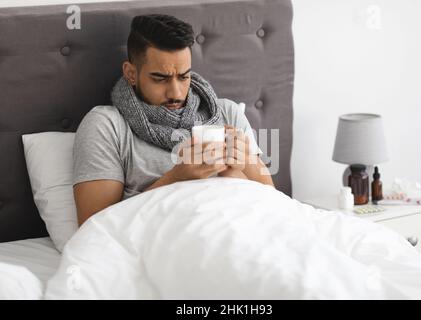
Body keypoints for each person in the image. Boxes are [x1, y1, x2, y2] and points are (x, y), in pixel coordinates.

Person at [73, 14, 274, 226]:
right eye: (160, 79)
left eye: (184, 77)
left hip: (246, 229)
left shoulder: (227, 112)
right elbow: (94, 227)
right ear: (131, 73)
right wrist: (176, 178)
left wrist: (247, 161)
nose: (176, 93)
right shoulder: (107, 126)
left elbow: (274, 202)